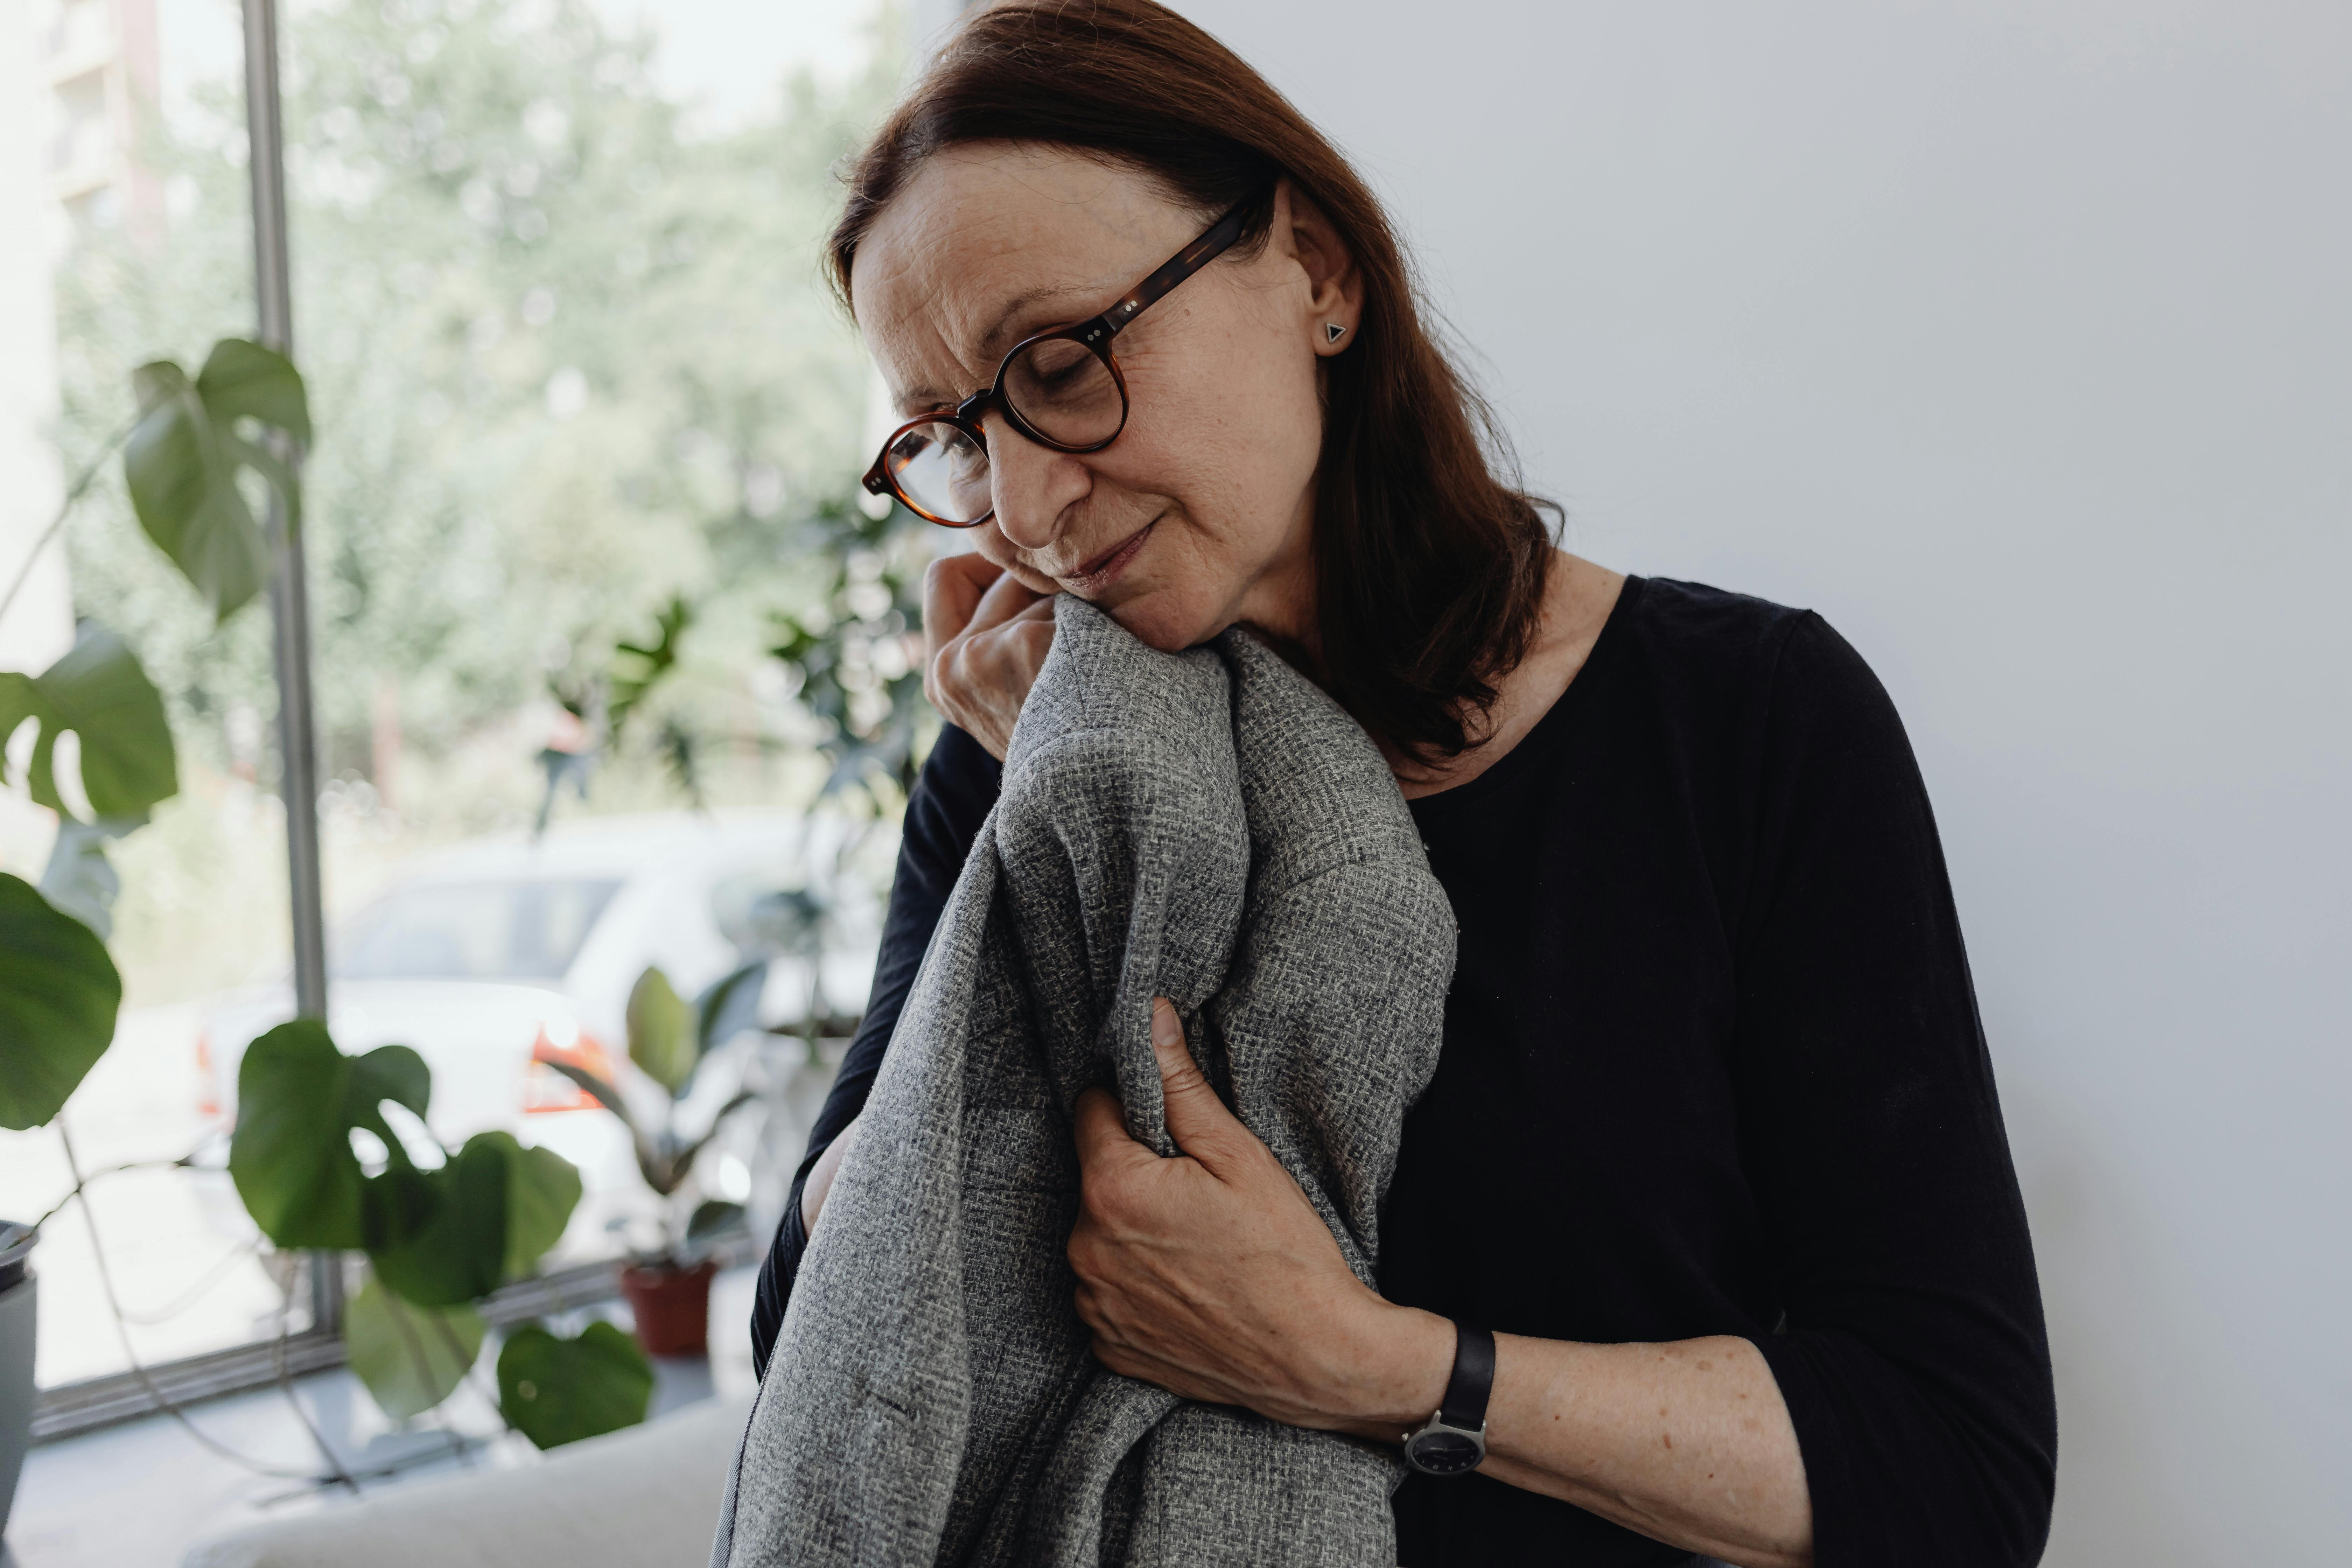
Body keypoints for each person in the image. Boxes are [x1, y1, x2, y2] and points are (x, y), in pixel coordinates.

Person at [750, 4, 2057, 1565]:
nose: (1025, 502)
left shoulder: (1751, 728)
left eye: (1060, 361)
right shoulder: (1036, 758)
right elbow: (809, 1318)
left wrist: (1364, 1365)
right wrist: (1049, 813)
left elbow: (1948, 1463)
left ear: (1313, 269)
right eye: (949, 436)